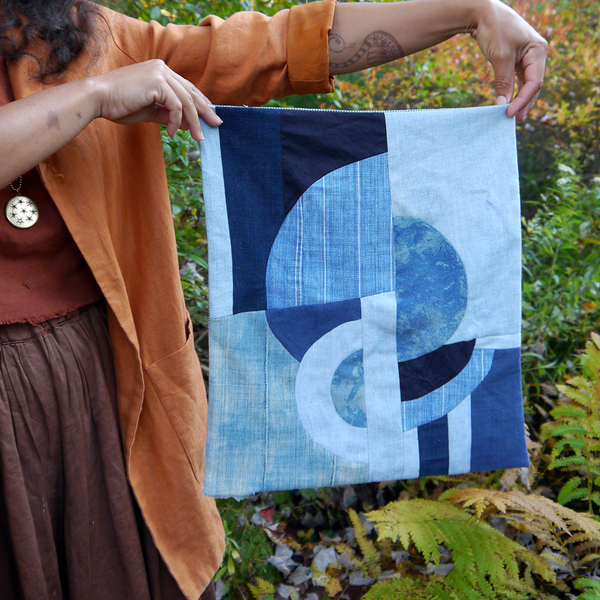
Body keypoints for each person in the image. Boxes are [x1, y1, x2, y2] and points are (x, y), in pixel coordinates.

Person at [0, 0, 546, 598]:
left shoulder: (82, 36)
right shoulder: (102, 75)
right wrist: (94, 97)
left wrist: (471, 12)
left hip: (110, 384)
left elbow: (279, 46)